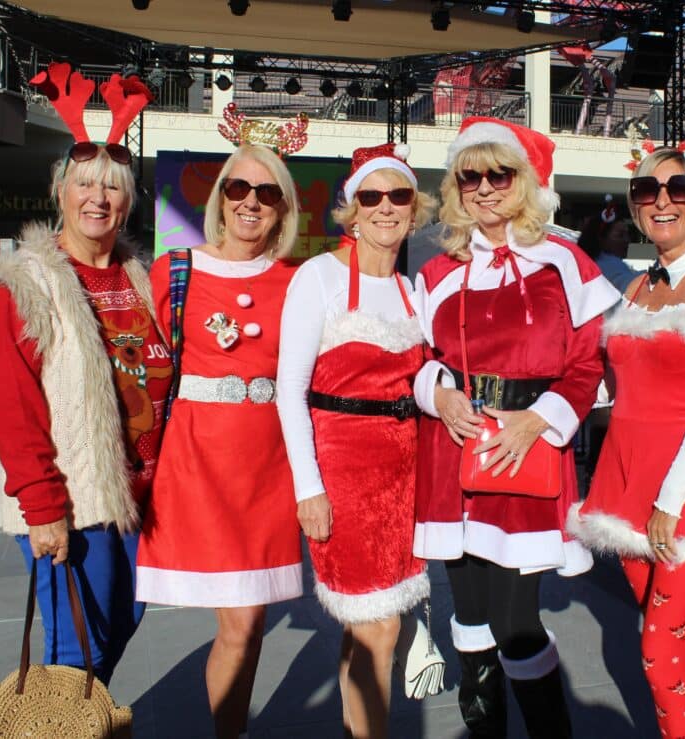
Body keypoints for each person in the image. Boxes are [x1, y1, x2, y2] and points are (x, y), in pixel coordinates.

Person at [413, 117, 620, 738]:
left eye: (498, 173)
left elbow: (592, 364)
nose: (483, 187)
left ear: (524, 182)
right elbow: (419, 361)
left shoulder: (565, 261)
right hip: (452, 454)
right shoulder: (437, 270)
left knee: (515, 620)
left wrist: (540, 420)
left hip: (523, 456)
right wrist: (440, 394)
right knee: (469, 616)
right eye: (468, 175)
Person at [568, 147, 685, 739]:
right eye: (645, 191)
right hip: (627, 485)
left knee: (658, 650)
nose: (661, 202)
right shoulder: (634, 288)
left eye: (678, 188)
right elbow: (614, 389)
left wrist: (671, 500)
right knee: (679, 646)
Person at [0, 126, 168, 681]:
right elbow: (13, 405)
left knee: (116, 627)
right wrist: (42, 508)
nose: (97, 199)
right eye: (84, 184)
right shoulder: (29, 283)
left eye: (112, 189)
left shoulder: (139, 277)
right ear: (59, 192)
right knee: (76, 653)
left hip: (138, 498)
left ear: (128, 202)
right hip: (72, 501)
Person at [136, 144, 303, 739]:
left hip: (267, 470)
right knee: (237, 621)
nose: (251, 202)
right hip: (197, 463)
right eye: (238, 189)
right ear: (219, 198)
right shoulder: (172, 270)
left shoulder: (297, 282)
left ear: (283, 210)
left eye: (266, 192)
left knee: (250, 622)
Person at [276, 143, 434, 738]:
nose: (386, 208)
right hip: (345, 477)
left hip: (403, 478)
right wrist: (308, 488)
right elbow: (289, 390)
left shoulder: (412, 290)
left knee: (363, 624)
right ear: (353, 208)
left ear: (414, 210)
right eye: (373, 196)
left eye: (400, 196)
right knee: (380, 628)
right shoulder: (317, 278)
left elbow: (423, 380)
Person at [577, 194, 642, 293]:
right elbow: (630, 286)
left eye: (627, 234)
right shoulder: (606, 266)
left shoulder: (591, 264)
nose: (627, 240)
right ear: (601, 239)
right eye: (620, 235)